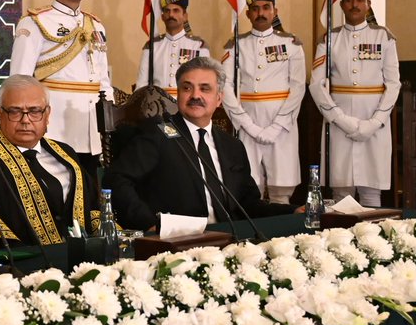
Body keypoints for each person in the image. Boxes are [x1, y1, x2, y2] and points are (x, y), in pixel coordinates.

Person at [104, 57, 293, 231]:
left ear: (219, 98)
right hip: (179, 244)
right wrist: (150, 224)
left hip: (230, 238)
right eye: (187, 88)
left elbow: (248, 204)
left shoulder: (232, 145)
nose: (195, 95)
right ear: (178, 93)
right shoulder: (158, 134)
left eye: (205, 88)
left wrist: (292, 213)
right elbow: (116, 180)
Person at [0, 75, 100, 249]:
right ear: (0, 114)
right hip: (22, 263)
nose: (25, 120)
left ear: (47, 114)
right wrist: (23, 254)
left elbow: (94, 211)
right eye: (15, 111)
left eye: (35, 111)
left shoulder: (66, 153)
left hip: (82, 257)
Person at [9, 0, 113, 180]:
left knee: (90, 193)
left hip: (91, 126)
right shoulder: (36, 22)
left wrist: (108, 119)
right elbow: (19, 81)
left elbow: (103, 79)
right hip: (56, 126)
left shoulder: (95, 24)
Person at [309, 0, 400, 207]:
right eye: (349, 0)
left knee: (372, 193)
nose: (355, 5)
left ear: (368, 3)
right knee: (341, 195)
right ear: (342, 3)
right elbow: (316, 84)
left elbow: (393, 84)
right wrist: (340, 119)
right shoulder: (329, 40)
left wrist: (374, 122)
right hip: (339, 123)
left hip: (376, 123)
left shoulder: (384, 37)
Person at [219, 0, 306, 203]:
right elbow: (226, 88)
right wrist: (248, 125)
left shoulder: (291, 44)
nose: (260, 13)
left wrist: (277, 125)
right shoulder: (234, 46)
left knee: (282, 191)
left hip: (283, 125)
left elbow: (298, 87)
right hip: (247, 123)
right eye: (255, 8)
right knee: (249, 187)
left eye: (266, 7)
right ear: (247, 12)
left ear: (275, 10)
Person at [135, 0, 211, 95]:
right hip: (158, 111)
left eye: (176, 11)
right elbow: (141, 85)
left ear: (185, 16)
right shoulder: (152, 46)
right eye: (167, 11)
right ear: (162, 16)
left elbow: (204, 84)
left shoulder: (199, 46)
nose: (171, 15)